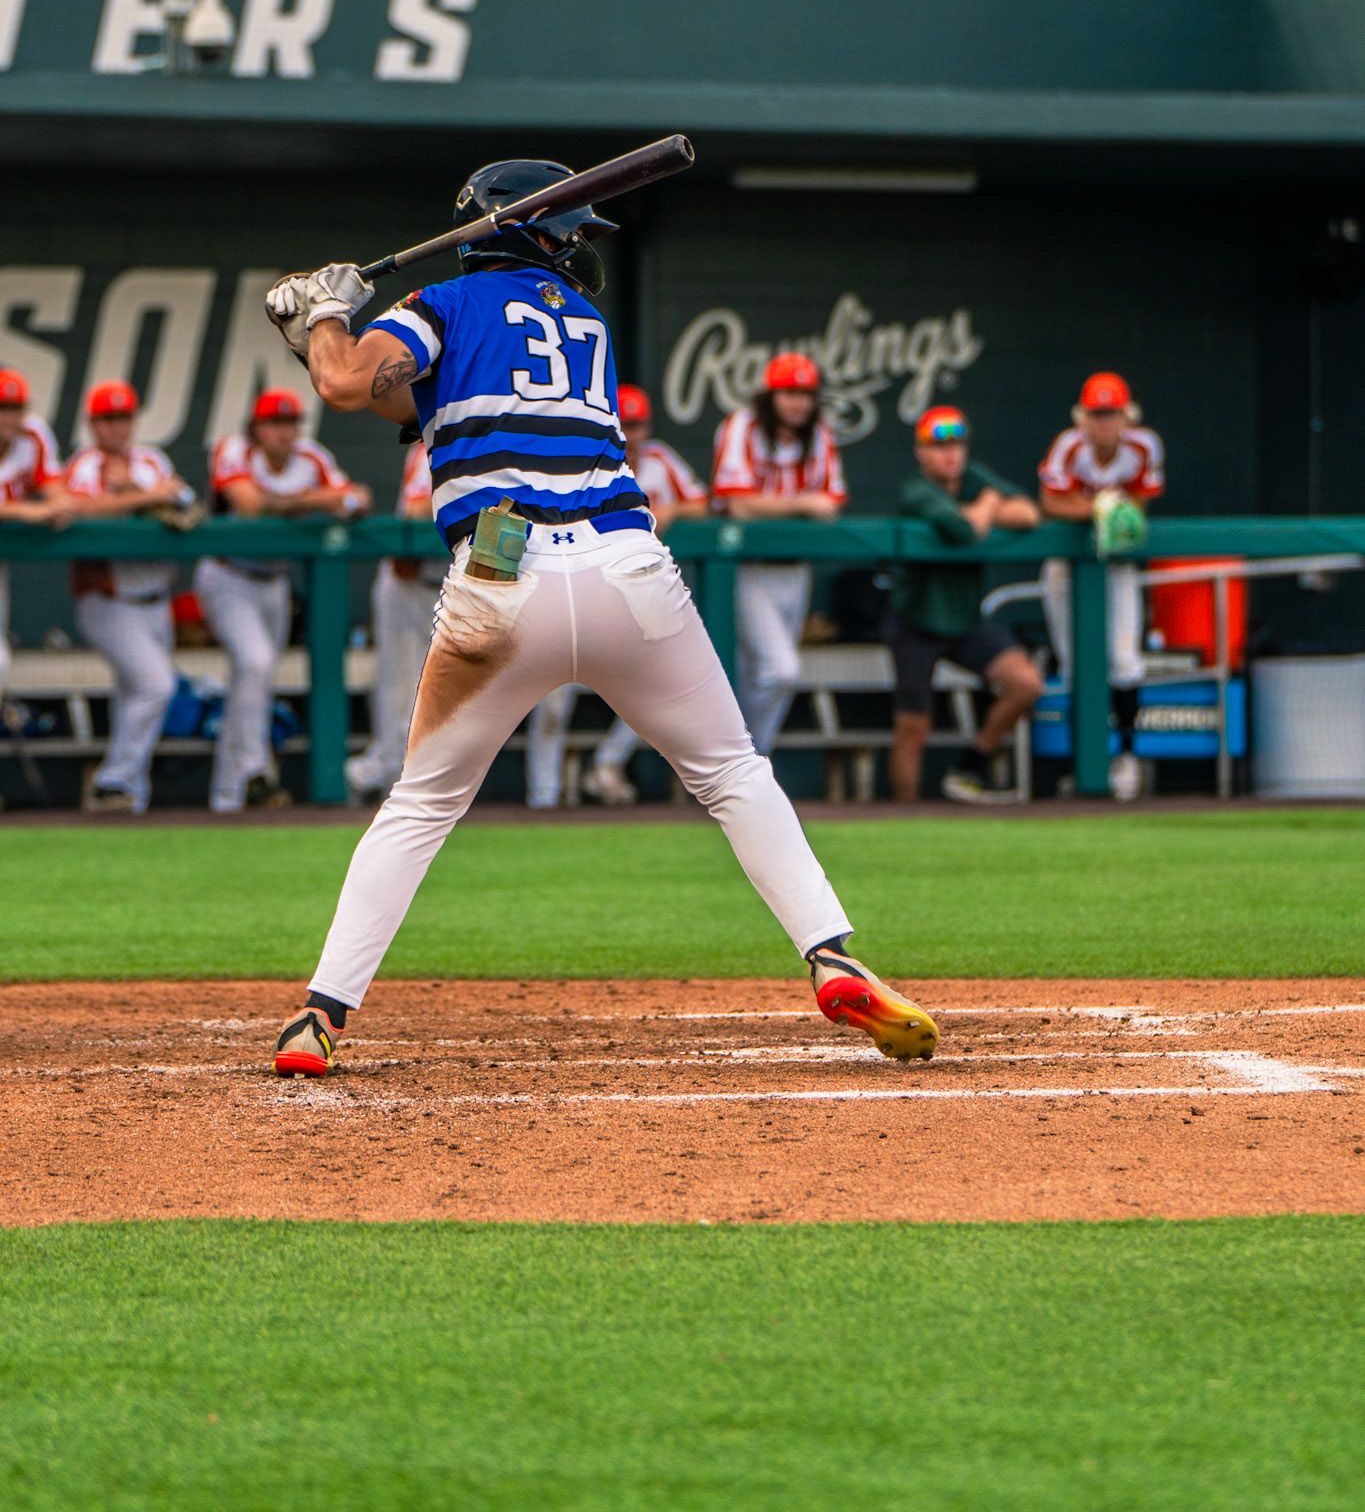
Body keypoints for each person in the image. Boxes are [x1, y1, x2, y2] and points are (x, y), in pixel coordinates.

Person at [263, 158, 938, 1077]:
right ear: (527, 229)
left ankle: (319, 1017)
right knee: (731, 771)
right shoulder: (582, 322)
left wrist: (325, 319)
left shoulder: (441, 306)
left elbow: (350, 386)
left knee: (421, 804)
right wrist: (319, 334)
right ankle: (831, 954)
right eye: (567, 228)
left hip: (502, 571)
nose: (576, 243)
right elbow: (400, 394)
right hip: (628, 569)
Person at [524, 381, 707, 807]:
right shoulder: (577, 460)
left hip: (634, 595)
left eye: (637, 425)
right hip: (576, 592)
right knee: (553, 699)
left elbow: (704, 504)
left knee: (660, 684)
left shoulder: (659, 460)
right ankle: (543, 798)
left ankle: (606, 765)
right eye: (624, 423)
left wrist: (671, 510)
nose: (631, 433)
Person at [197, 388, 370, 814]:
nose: (284, 432)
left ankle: (227, 795)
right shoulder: (235, 450)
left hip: (274, 582)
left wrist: (316, 502)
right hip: (228, 575)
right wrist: (315, 501)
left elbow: (357, 499)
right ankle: (254, 772)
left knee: (254, 679)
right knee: (255, 663)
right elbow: (250, 504)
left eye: (291, 423)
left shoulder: (311, 458)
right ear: (257, 428)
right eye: (274, 423)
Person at [889, 405, 1043, 805]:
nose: (950, 454)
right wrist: (988, 506)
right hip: (917, 619)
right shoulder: (916, 489)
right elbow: (962, 529)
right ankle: (902, 816)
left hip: (965, 620)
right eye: (939, 446)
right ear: (921, 452)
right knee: (913, 726)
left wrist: (983, 507)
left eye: (957, 445)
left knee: (1026, 683)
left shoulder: (973, 478)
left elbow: (1029, 513)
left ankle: (971, 765)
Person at [63, 379, 197, 814]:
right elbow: (77, 507)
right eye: (108, 418)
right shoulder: (85, 465)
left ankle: (128, 800)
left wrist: (139, 492)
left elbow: (186, 499)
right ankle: (113, 780)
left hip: (155, 598)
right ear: (93, 424)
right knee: (157, 685)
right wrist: (145, 496)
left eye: (123, 417)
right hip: (108, 599)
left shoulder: (151, 461)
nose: (117, 427)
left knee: (132, 694)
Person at [710, 352, 847, 758]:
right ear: (769, 396)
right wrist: (802, 503)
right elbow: (737, 504)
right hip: (746, 568)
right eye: (788, 393)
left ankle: (746, 763)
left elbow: (832, 504)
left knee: (764, 674)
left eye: (805, 394)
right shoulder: (743, 425)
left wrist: (779, 506)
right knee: (778, 669)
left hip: (794, 569)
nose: (798, 403)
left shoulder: (819, 434)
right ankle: (745, 760)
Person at [1038, 371, 1165, 803]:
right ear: (1083, 418)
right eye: (1097, 414)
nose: (1104, 423)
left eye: (1111, 414)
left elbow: (1142, 501)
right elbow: (1050, 501)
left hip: (1116, 562)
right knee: (1075, 665)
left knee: (1125, 661)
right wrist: (1100, 508)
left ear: (1126, 416)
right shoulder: (1069, 446)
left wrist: (1119, 515)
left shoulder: (1143, 446)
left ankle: (1126, 756)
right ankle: (1084, 761)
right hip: (1068, 563)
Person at [345, 439, 443, 807]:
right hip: (409, 584)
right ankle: (374, 777)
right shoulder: (434, 446)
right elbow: (416, 510)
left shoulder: (497, 450)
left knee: (437, 694)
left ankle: (380, 776)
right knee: (399, 693)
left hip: (453, 586)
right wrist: (472, 501)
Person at [0, 367, 64, 718]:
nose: (9, 417)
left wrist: (59, 506)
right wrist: (27, 511)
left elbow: (55, 488)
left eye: (15, 408)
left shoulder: (33, 435)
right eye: (2, 408)